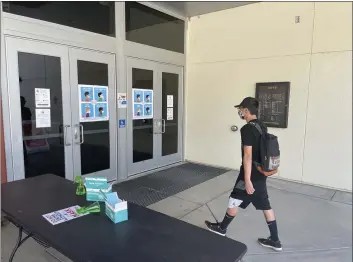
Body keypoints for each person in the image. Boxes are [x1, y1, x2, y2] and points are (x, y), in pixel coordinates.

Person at [205, 97, 282, 252]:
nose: (239, 112)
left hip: (250, 174)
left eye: (240, 109)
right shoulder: (262, 125)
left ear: (246, 110)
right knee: (265, 205)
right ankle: (275, 240)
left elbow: (248, 155)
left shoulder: (247, 129)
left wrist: (247, 180)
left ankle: (222, 228)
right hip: (260, 172)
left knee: (235, 198)